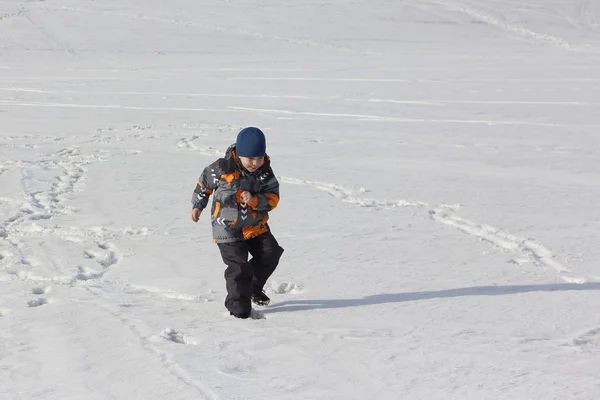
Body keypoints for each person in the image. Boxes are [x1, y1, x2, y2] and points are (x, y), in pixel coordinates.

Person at [190, 127, 284, 319]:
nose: (255, 163)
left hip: (255, 226)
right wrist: (198, 204)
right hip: (227, 227)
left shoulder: (265, 172)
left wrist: (255, 201)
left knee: (270, 253)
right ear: (239, 154)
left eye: (259, 157)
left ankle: (252, 289)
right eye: (250, 158)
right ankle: (238, 308)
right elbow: (204, 183)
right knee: (239, 268)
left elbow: (273, 198)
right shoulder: (222, 168)